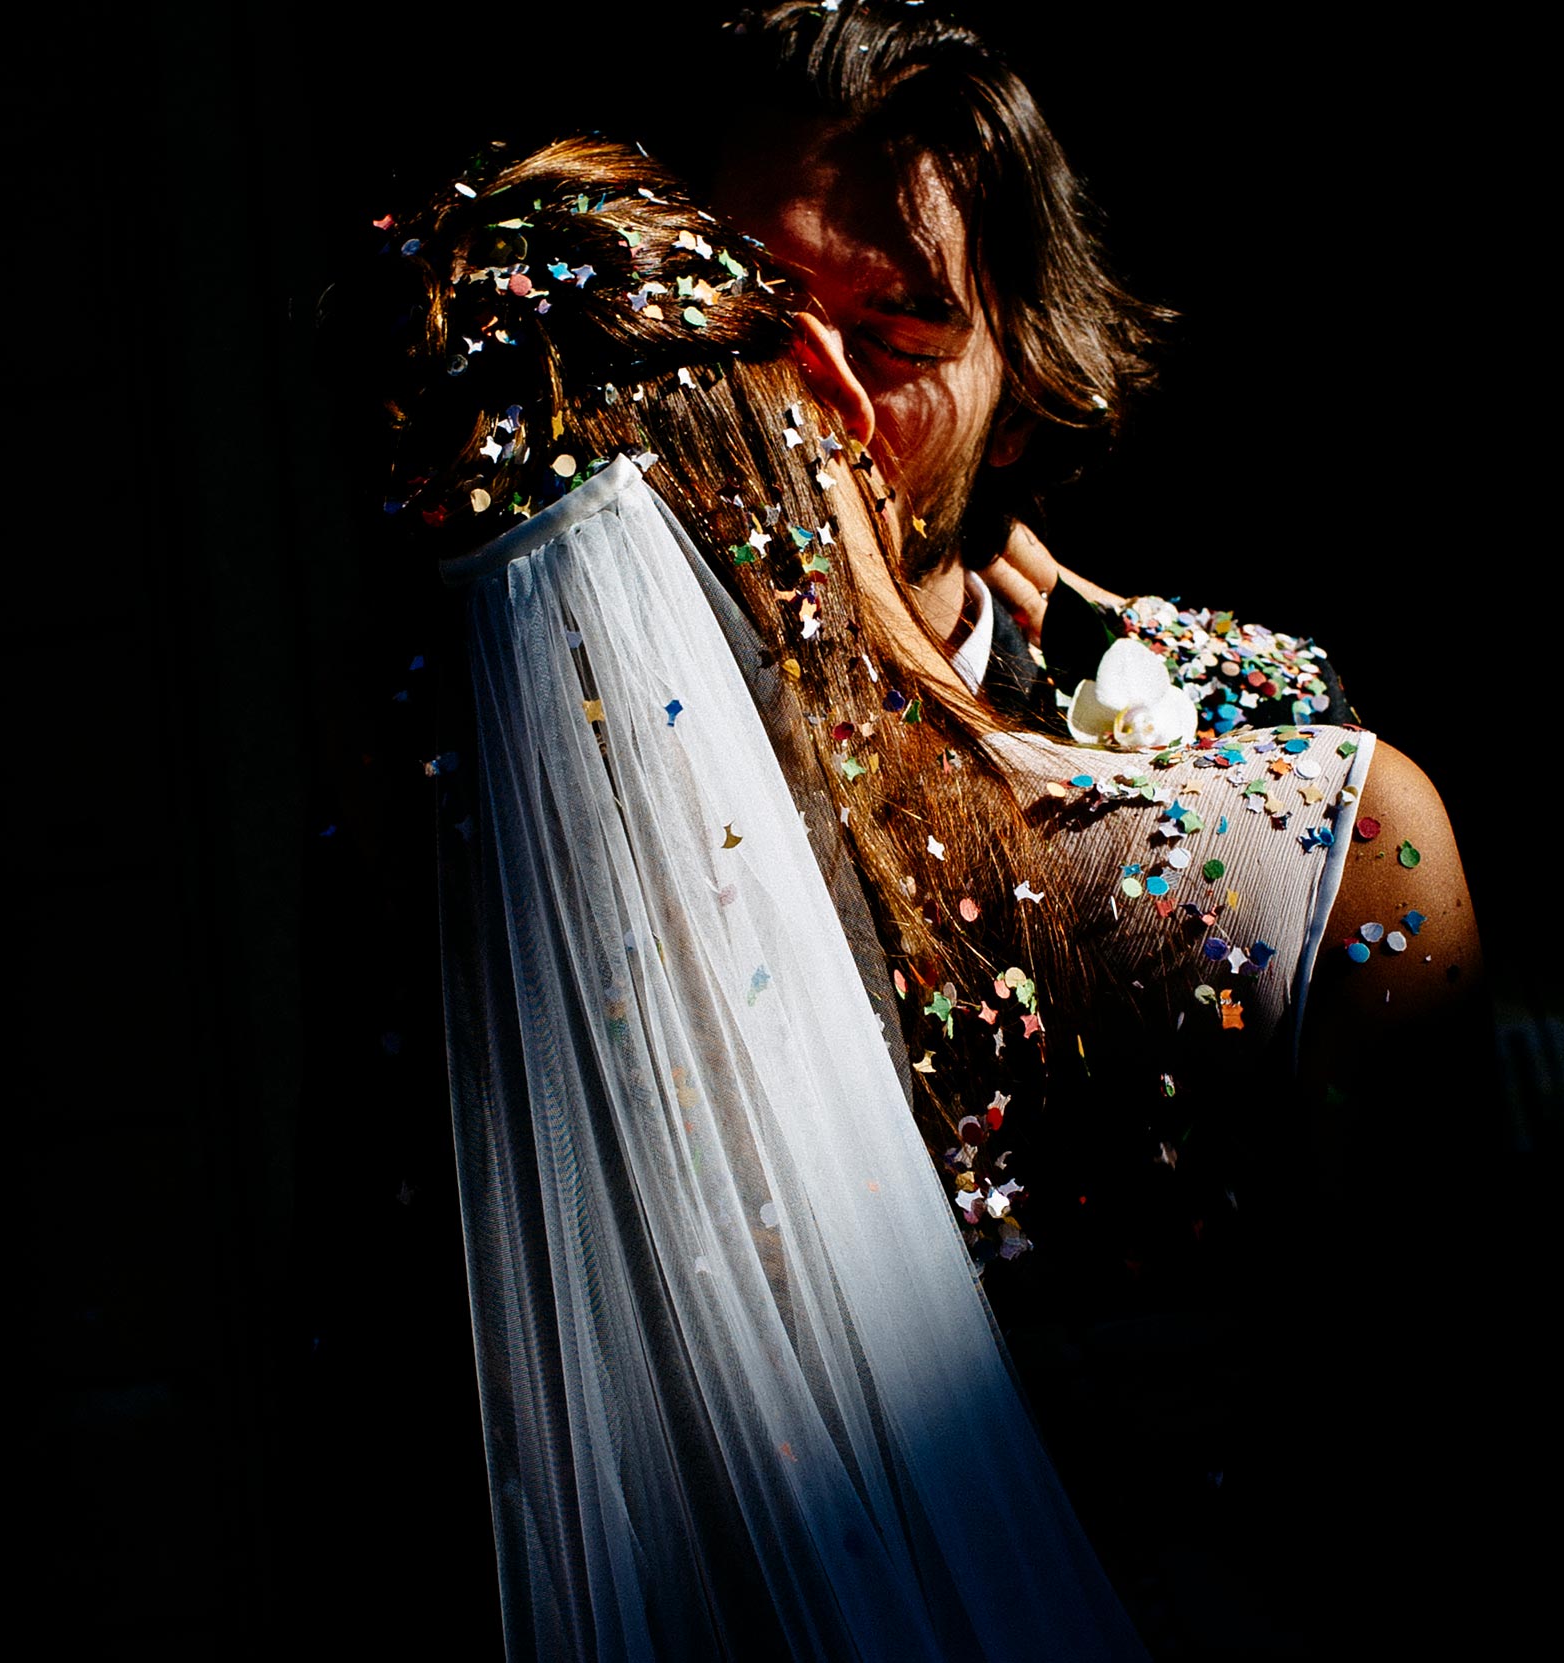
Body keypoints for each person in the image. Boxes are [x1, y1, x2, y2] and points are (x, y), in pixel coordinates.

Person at [327, 134, 1474, 1656]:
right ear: (789, 370)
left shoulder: (1256, 771)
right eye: (795, 312)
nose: (847, 381)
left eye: (903, 327)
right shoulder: (1326, 842)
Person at [687, 2, 1349, 731]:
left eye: (899, 344)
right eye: (747, 315)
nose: (812, 391)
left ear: (1019, 406)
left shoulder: (1270, 737)